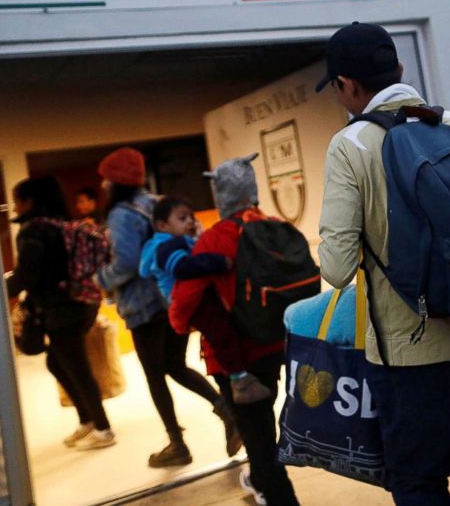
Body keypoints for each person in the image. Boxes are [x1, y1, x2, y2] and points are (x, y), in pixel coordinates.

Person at [315, 22, 450, 505]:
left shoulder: (351, 145)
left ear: (347, 85)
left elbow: (336, 270)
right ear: (399, 69)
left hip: (408, 359)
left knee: (418, 481)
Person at [92, 147, 241, 467]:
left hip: (142, 306)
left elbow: (129, 261)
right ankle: (226, 410)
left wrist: (101, 277)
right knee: (174, 365)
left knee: (155, 376)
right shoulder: (155, 203)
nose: (103, 185)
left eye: (105, 179)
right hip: (171, 298)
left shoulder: (120, 213)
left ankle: (178, 445)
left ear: (115, 181)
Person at [168, 155, 299, 506]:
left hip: (236, 355)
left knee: (258, 439)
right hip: (276, 343)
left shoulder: (216, 238)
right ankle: (259, 480)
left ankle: (277, 495)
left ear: (220, 193)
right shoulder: (277, 226)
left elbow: (185, 299)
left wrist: (178, 325)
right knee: (262, 424)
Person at [5, 175, 115, 450]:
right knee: (57, 362)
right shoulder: (63, 225)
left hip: (63, 308)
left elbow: (27, 275)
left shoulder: (35, 231)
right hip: (83, 302)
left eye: (17, 200)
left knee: (77, 368)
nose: (16, 207)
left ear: (29, 202)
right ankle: (87, 420)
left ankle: (103, 428)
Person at [139, 195, 272, 404]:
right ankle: (240, 381)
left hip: (195, 296)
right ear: (162, 225)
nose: (190, 222)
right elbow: (184, 268)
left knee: (223, 329)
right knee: (220, 332)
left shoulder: (175, 242)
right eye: (182, 218)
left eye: (191, 217)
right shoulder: (166, 246)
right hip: (191, 300)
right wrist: (220, 262)